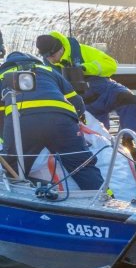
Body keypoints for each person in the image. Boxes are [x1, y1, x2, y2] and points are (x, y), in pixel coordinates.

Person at [0, 50, 104, 191]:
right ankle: (105, 199)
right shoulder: (49, 70)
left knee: (13, 169)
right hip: (61, 119)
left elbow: (1, 115)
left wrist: (5, 141)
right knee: (82, 164)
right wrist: (75, 121)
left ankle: (20, 198)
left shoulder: (3, 76)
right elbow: (76, 101)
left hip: (23, 122)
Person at [35, 32, 136, 140]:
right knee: (100, 138)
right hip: (85, 106)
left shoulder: (82, 50)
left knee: (128, 99)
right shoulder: (47, 68)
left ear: (60, 48)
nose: (51, 60)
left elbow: (111, 65)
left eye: (52, 55)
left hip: (105, 91)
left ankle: (128, 140)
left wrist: (85, 68)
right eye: (46, 57)